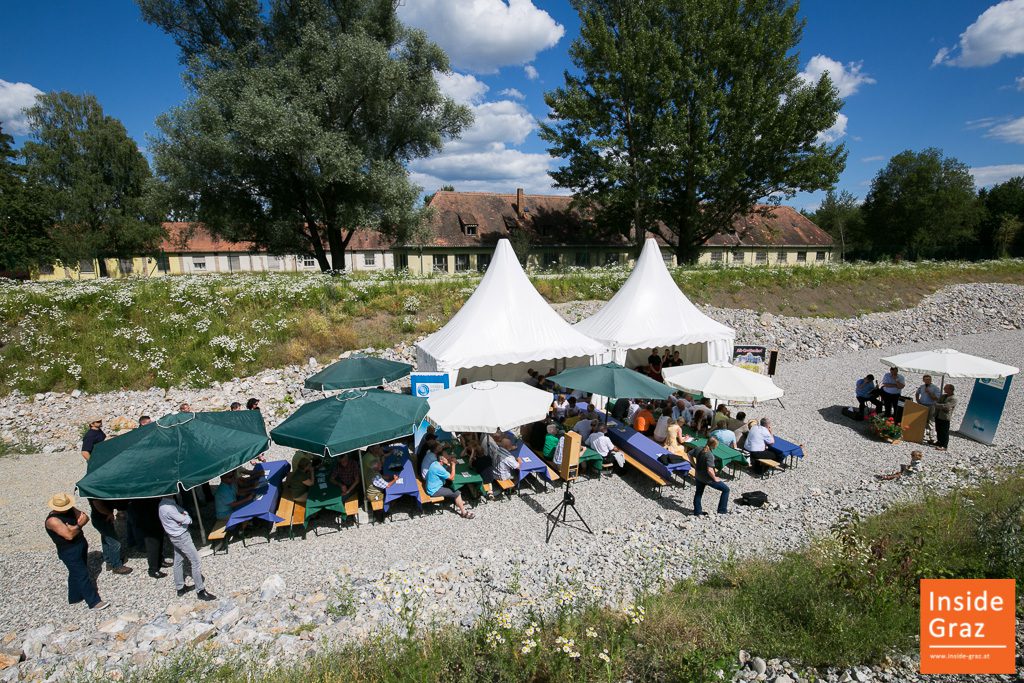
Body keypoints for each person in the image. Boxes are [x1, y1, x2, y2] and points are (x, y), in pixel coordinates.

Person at [45, 493, 108, 610]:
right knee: (82, 574)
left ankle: (75, 597)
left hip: (80, 544)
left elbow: (85, 518)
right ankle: (94, 602)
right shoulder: (53, 520)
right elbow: (69, 535)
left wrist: (74, 528)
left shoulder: (70, 509)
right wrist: (78, 525)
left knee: (76, 572)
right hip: (68, 551)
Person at [158, 495, 216, 600]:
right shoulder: (169, 507)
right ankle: (200, 591)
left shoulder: (164, 504)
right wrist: (186, 516)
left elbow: (182, 511)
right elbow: (187, 520)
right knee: (196, 561)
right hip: (181, 536)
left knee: (178, 560)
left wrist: (184, 514)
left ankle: (180, 587)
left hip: (174, 536)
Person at [88, 499, 132, 575]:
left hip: (101, 518)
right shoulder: (95, 495)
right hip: (101, 518)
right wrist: (109, 513)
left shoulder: (94, 491)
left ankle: (109, 561)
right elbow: (99, 506)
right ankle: (117, 566)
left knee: (106, 539)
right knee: (115, 543)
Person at [425, 452, 474, 518]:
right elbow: (452, 478)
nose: (449, 457)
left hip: (431, 486)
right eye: (447, 457)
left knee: (451, 485)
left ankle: (459, 502)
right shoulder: (439, 468)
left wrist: (449, 464)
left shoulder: (435, 463)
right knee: (457, 492)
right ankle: (463, 512)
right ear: (441, 460)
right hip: (434, 490)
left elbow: (446, 470)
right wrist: (453, 465)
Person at [692, 437, 729, 516]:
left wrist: (694, 464)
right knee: (726, 490)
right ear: (714, 445)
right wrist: (715, 478)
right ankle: (722, 510)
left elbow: (689, 454)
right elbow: (709, 470)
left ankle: (697, 512)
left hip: (698, 475)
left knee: (698, 493)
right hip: (707, 478)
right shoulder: (710, 455)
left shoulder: (699, 448)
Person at [915, 375, 942, 441]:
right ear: (923, 380)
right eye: (926, 379)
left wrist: (929, 392)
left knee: (931, 421)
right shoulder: (922, 387)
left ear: (931, 380)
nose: (927, 381)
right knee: (922, 420)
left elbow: (936, 398)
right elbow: (917, 393)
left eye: (929, 379)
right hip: (922, 405)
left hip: (931, 406)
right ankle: (922, 435)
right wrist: (918, 401)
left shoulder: (935, 388)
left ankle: (931, 437)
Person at [934, 384, 957, 451]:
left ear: (950, 389)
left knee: (944, 431)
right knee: (938, 429)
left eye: (945, 388)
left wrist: (939, 405)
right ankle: (939, 442)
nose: (944, 389)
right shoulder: (943, 396)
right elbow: (937, 403)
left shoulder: (954, 398)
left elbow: (947, 407)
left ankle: (944, 445)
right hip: (938, 415)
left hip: (945, 417)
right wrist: (940, 405)